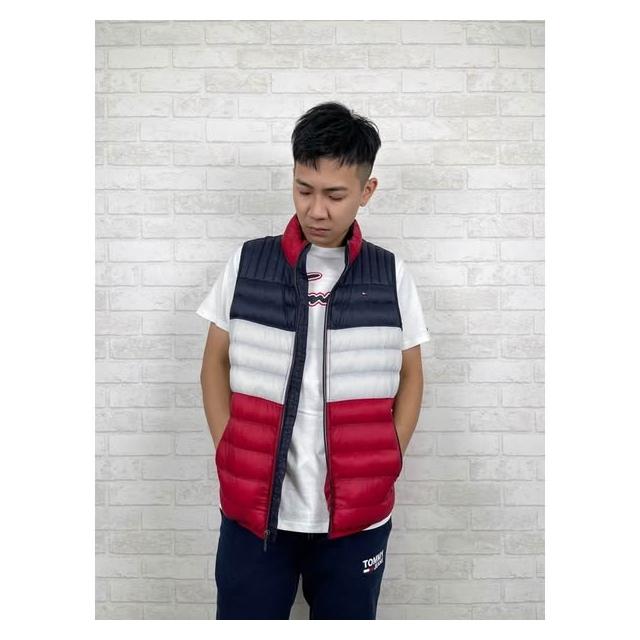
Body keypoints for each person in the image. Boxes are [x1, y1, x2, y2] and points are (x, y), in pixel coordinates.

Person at [197, 101, 430, 620]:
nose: (316, 210)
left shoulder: (389, 274)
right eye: (304, 190)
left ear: (366, 191)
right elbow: (214, 362)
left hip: (357, 521)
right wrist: (227, 444)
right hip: (254, 515)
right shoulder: (249, 263)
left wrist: (389, 455)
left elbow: (412, 375)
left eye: (335, 195)